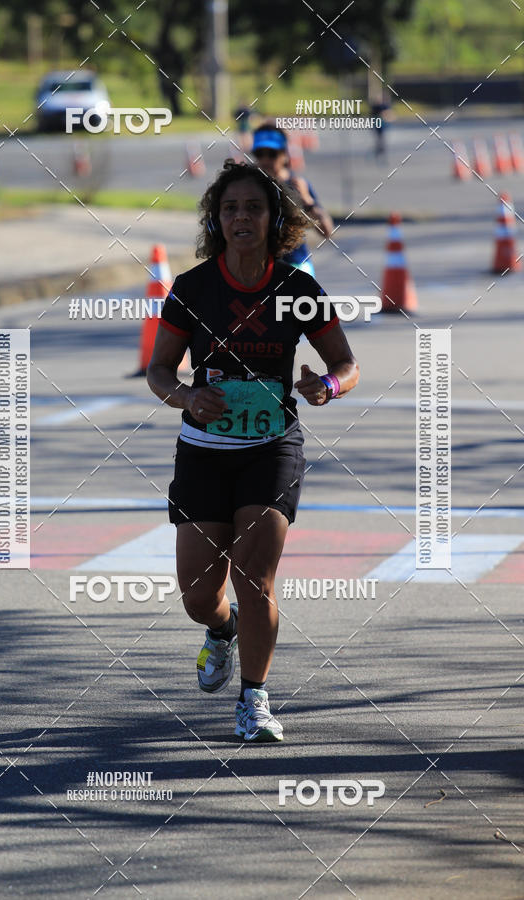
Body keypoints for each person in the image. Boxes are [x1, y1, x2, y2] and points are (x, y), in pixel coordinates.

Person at [147, 160, 359, 742]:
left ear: (274, 220)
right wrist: (187, 397)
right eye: (230, 208)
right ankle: (222, 630)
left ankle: (254, 700)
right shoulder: (194, 288)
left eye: (254, 208)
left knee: (255, 576)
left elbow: (346, 363)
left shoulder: (298, 289)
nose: (241, 217)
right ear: (216, 220)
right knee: (198, 595)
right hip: (203, 450)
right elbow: (159, 370)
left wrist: (327, 385)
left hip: (272, 447)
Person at [251, 124, 333, 277]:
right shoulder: (248, 187)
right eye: (260, 154)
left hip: (296, 265)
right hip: (260, 268)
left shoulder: (297, 185)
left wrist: (307, 200)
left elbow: (326, 231)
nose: (265, 160)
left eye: (272, 154)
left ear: (284, 155)